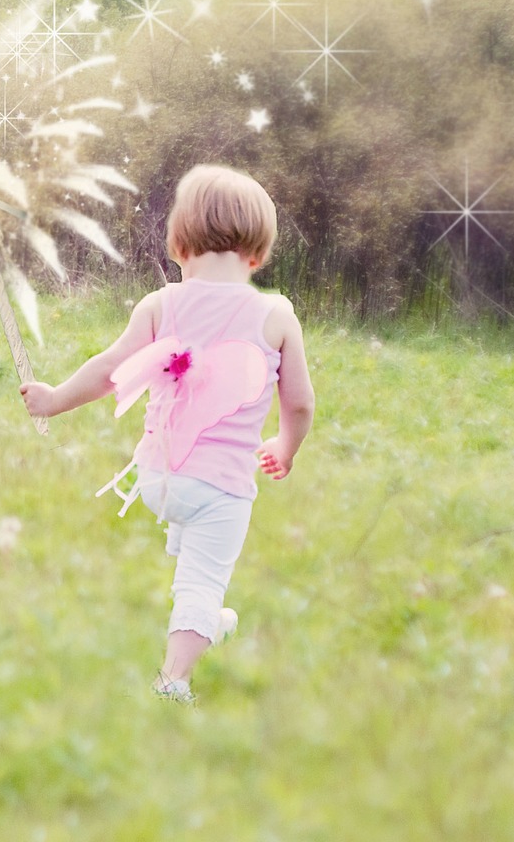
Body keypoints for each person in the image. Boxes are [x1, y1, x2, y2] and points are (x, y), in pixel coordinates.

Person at [19, 165, 316, 702]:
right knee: (202, 580)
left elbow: (112, 369)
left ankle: (209, 619)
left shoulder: (161, 305)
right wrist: (285, 447)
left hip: (156, 479)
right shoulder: (276, 316)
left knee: (193, 541)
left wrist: (55, 397)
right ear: (258, 253)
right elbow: (299, 401)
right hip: (219, 489)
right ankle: (175, 677)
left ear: (179, 245)